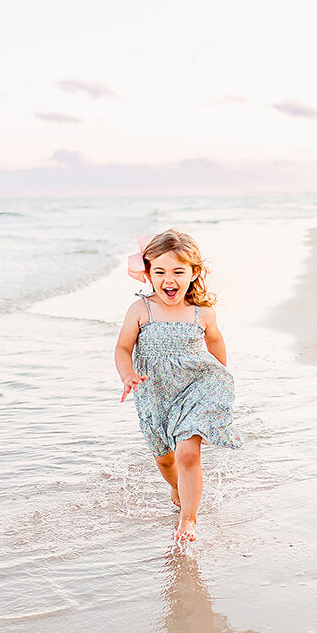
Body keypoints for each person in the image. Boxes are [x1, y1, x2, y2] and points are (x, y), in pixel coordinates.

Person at [114, 229, 241, 542]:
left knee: (187, 454)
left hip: (196, 387)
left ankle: (188, 519)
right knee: (165, 458)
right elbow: (123, 348)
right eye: (160, 272)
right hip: (154, 393)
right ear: (148, 273)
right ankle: (175, 486)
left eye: (178, 272)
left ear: (193, 273)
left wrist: (219, 379)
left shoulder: (202, 313)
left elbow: (215, 341)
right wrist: (128, 375)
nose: (168, 279)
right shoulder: (141, 310)